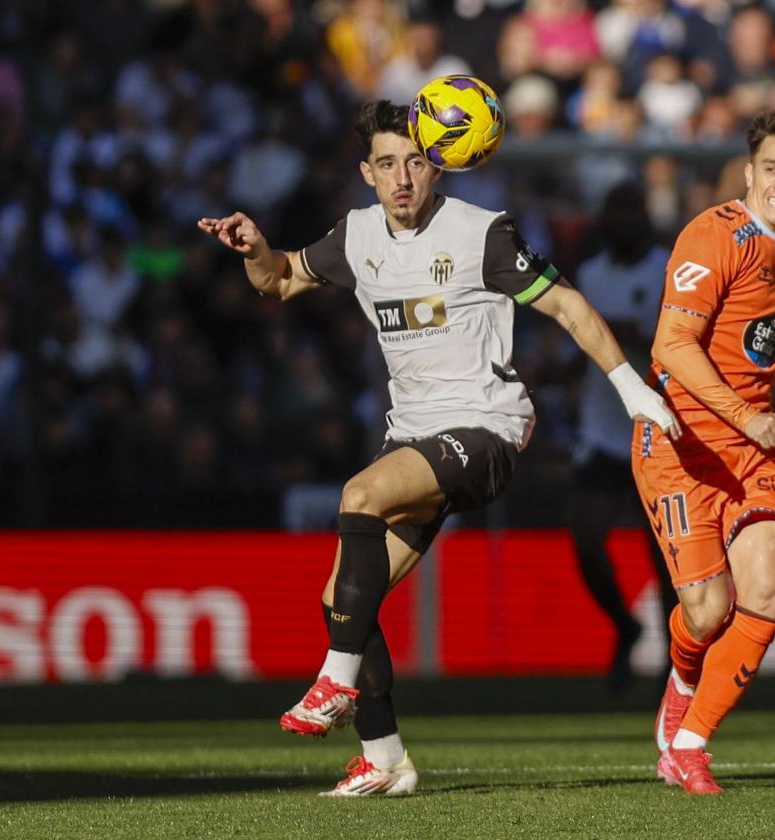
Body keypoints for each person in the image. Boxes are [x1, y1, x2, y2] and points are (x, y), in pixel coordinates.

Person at [197, 100, 678, 797]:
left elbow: (569, 306)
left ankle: (334, 684)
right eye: (387, 163)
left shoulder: (481, 234)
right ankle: (385, 757)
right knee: (341, 600)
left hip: (488, 429)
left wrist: (632, 390)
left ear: (439, 164)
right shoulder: (356, 236)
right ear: (366, 172)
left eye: (415, 162)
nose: (402, 178)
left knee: (358, 496)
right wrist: (255, 251)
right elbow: (279, 281)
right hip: (416, 436)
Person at [632, 108, 775, 794]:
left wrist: (752, 422)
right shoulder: (714, 235)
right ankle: (684, 675)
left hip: (751, 448)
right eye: (771, 168)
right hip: (682, 445)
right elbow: (670, 347)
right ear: (749, 173)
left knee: (769, 590)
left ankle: (689, 746)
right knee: (709, 611)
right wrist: (746, 414)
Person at [568, 181, 677, 693]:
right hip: (603, 433)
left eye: (633, 210)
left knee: (663, 554)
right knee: (586, 542)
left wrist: (614, 331)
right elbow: (579, 346)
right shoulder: (589, 275)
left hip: (656, 429)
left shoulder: (665, 270)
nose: (625, 222)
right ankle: (625, 625)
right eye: (617, 211)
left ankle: (675, 664)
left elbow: (668, 341)